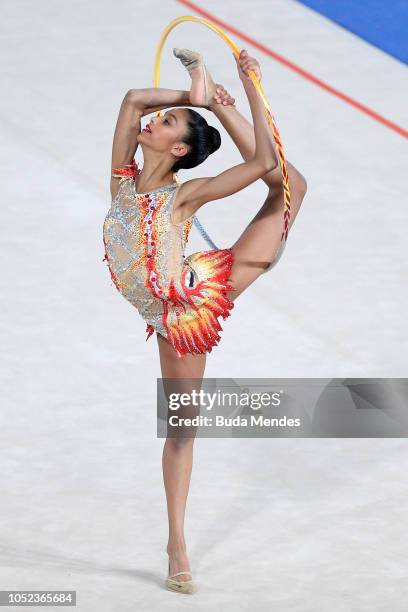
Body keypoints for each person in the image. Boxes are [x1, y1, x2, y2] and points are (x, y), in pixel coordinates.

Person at [103, 48, 307, 593]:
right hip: (175, 304)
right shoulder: (125, 179)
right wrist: (193, 97)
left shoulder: (184, 197)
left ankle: (178, 545)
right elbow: (131, 99)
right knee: (180, 428)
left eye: (167, 122)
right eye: (161, 116)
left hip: (189, 309)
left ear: (177, 149)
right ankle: (176, 541)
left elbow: (265, 164)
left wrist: (244, 93)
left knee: (291, 185)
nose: (153, 119)